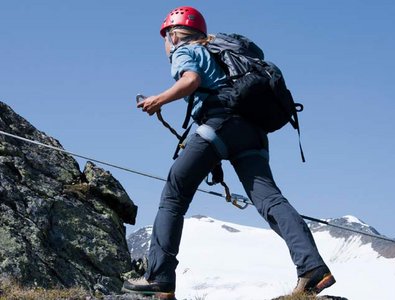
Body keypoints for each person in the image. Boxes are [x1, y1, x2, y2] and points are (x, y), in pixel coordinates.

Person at [122, 6, 335, 298]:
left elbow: (190, 81)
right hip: (253, 133)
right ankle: (312, 269)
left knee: (175, 193)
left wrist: (158, 100)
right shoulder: (220, 53)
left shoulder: (185, 51)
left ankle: (159, 278)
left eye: (165, 38)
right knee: (270, 199)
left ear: (173, 35)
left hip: (219, 125)